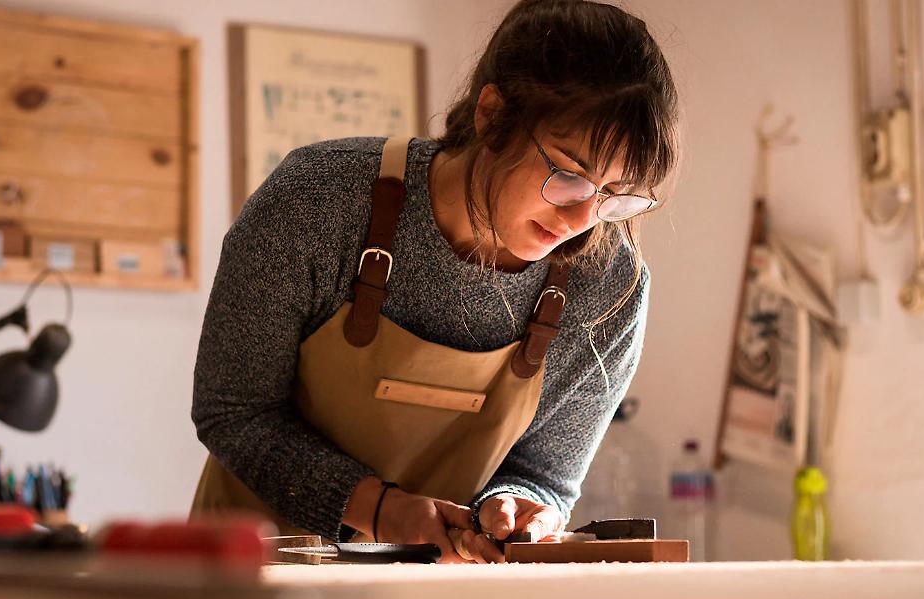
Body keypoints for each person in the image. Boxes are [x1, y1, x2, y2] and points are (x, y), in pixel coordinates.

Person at [191, 0, 679, 563]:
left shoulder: (608, 284)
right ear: (492, 116)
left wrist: (519, 509)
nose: (581, 220)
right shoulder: (319, 200)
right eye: (569, 175)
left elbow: (545, 474)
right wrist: (380, 511)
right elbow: (233, 410)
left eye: (616, 194)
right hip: (250, 584)